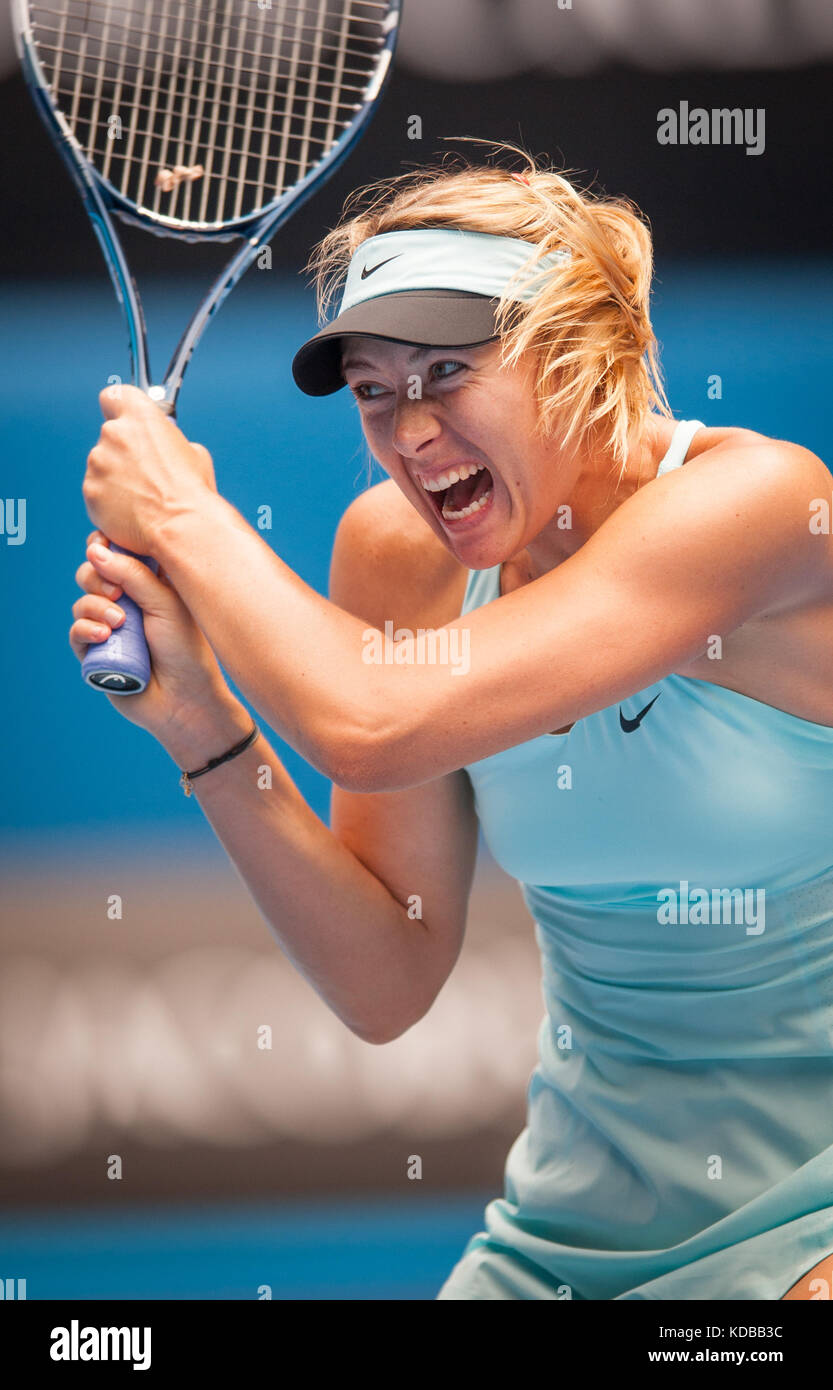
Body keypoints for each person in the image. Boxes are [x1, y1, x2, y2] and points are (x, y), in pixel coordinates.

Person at [70, 151, 833, 1301]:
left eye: (445, 370)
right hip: (557, 1245)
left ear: (578, 351)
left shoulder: (762, 507)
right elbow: (386, 977)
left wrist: (179, 510)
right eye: (374, 388)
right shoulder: (394, 554)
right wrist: (205, 731)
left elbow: (368, 717)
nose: (410, 428)